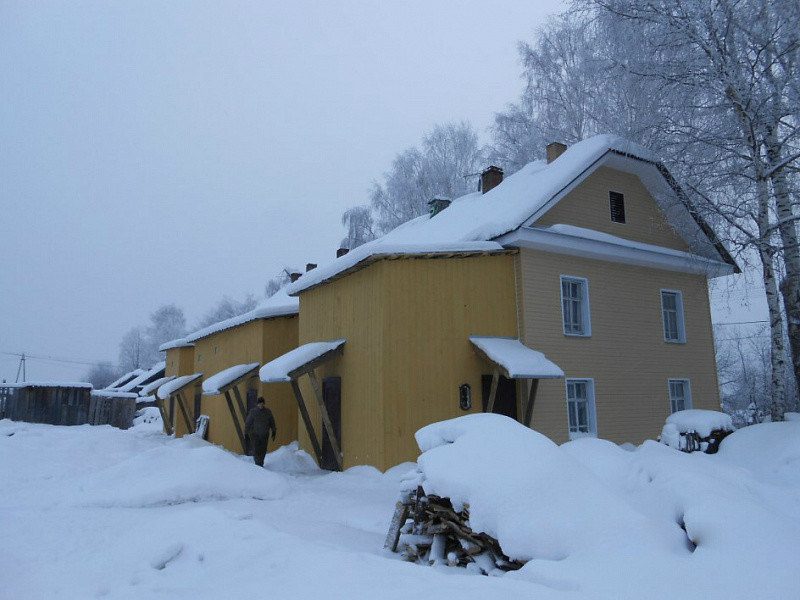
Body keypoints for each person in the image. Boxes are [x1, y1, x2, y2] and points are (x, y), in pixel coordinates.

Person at [244, 397, 276, 467]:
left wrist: (274, 430)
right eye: (260, 403)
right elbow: (248, 423)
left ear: (264, 404)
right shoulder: (253, 412)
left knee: (263, 450)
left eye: (262, 403)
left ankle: (261, 463)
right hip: (255, 435)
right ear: (257, 404)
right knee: (256, 450)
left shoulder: (268, 412)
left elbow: (272, 422)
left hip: (265, 434)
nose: (261, 405)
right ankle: (258, 465)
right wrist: (246, 433)